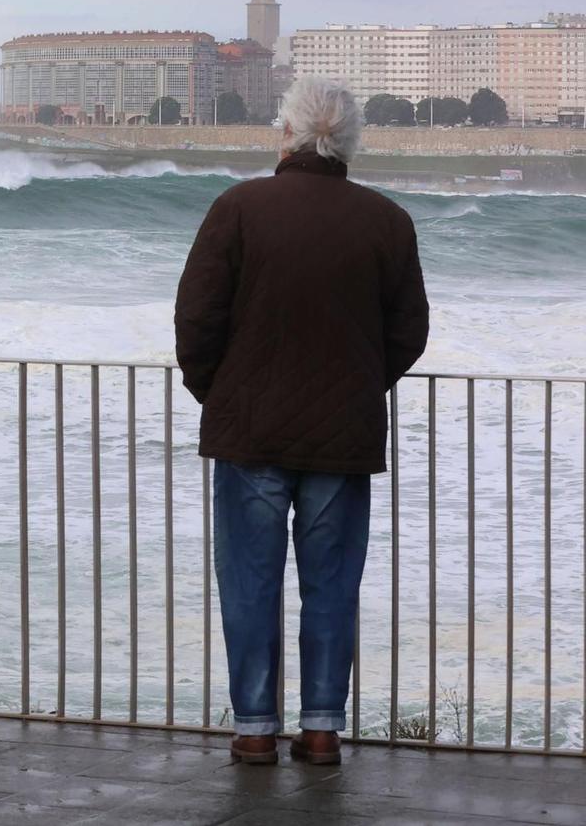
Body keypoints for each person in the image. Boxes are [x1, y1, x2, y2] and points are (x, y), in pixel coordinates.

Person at [174, 78, 428, 766]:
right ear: (349, 141)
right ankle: (321, 729)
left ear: (285, 134)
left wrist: (220, 392)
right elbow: (409, 333)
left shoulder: (238, 208)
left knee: (251, 581)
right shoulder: (386, 220)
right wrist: (355, 386)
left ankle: (255, 728)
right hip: (341, 436)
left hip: (249, 430)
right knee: (332, 583)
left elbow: (196, 322)